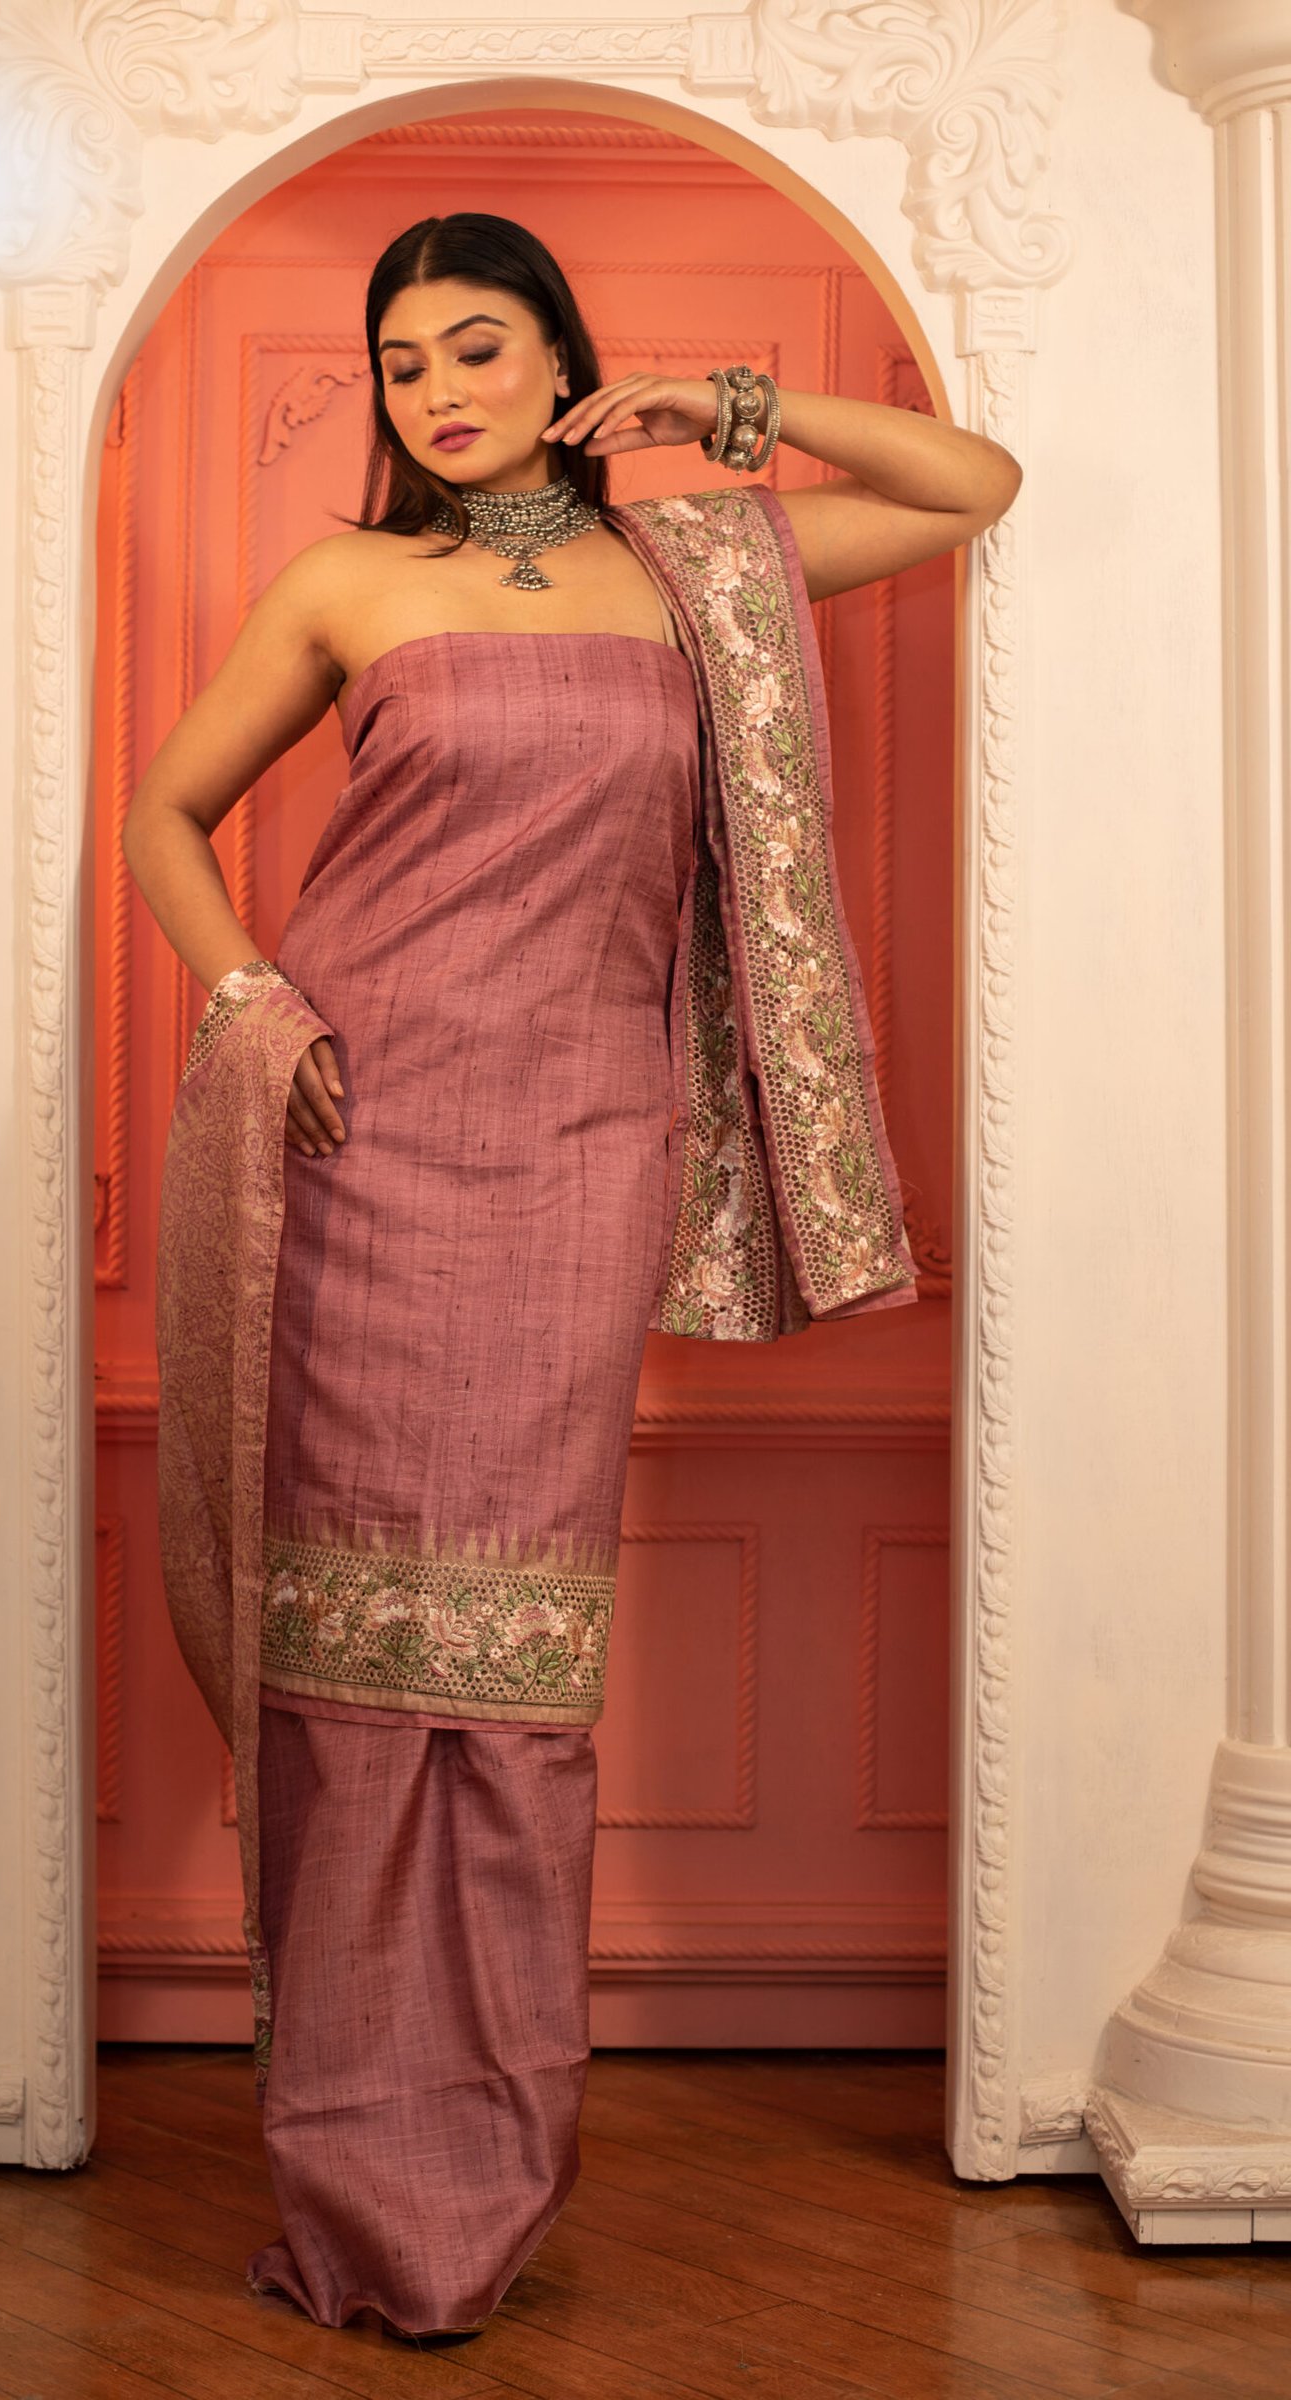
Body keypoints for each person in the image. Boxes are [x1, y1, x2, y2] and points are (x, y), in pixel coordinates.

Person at [124, 210, 1020, 2346]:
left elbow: (965, 483)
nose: (436, 390)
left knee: (514, 1679)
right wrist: (254, 1002)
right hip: (354, 1148)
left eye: (475, 346)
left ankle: (487, 2169)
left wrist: (722, 409)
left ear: (559, 360)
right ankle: (352, 2172)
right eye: (399, 362)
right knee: (354, 1673)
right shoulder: (350, 586)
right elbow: (164, 816)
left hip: (580, 1168)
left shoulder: (701, 567)